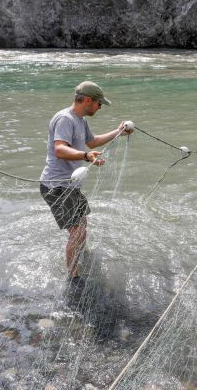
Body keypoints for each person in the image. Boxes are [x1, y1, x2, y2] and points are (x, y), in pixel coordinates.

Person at [40, 81, 132, 279]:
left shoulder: (80, 120)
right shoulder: (65, 119)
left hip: (69, 185)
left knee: (81, 224)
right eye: (99, 104)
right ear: (88, 100)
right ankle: (73, 278)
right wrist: (86, 156)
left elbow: (92, 142)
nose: (100, 108)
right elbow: (60, 149)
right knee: (78, 230)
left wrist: (119, 132)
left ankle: (78, 258)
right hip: (56, 186)